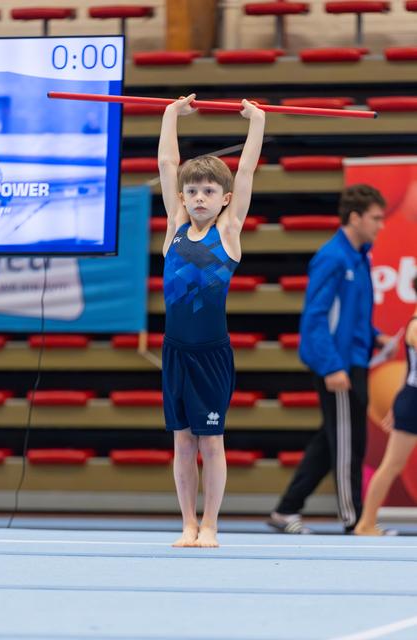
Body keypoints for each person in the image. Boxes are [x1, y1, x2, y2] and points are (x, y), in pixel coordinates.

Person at [158, 94, 265, 547]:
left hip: (212, 355)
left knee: (211, 442)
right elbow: (168, 163)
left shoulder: (229, 232)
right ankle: (187, 523)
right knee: (182, 442)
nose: (200, 198)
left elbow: (245, 171)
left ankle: (211, 525)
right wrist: (169, 115)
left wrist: (256, 122)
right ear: (183, 197)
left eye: (210, 192)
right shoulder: (174, 228)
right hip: (175, 352)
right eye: (193, 191)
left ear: (224, 200)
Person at [269, 184, 395, 534]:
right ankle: (355, 520)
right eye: (375, 218)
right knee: (349, 444)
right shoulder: (332, 257)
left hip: (354, 359)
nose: (381, 225)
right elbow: (315, 318)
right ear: (354, 217)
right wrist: (331, 366)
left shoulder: (359, 255)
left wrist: (374, 336)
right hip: (337, 364)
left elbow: (352, 315)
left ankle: (285, 510)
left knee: (331, 441)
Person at [354, 274, 417, 536]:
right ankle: (366, 522)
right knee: (392, 464)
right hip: (414, 401)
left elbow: (409, 370)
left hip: (409, 395)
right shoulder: (415, 326)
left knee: (393, 464)